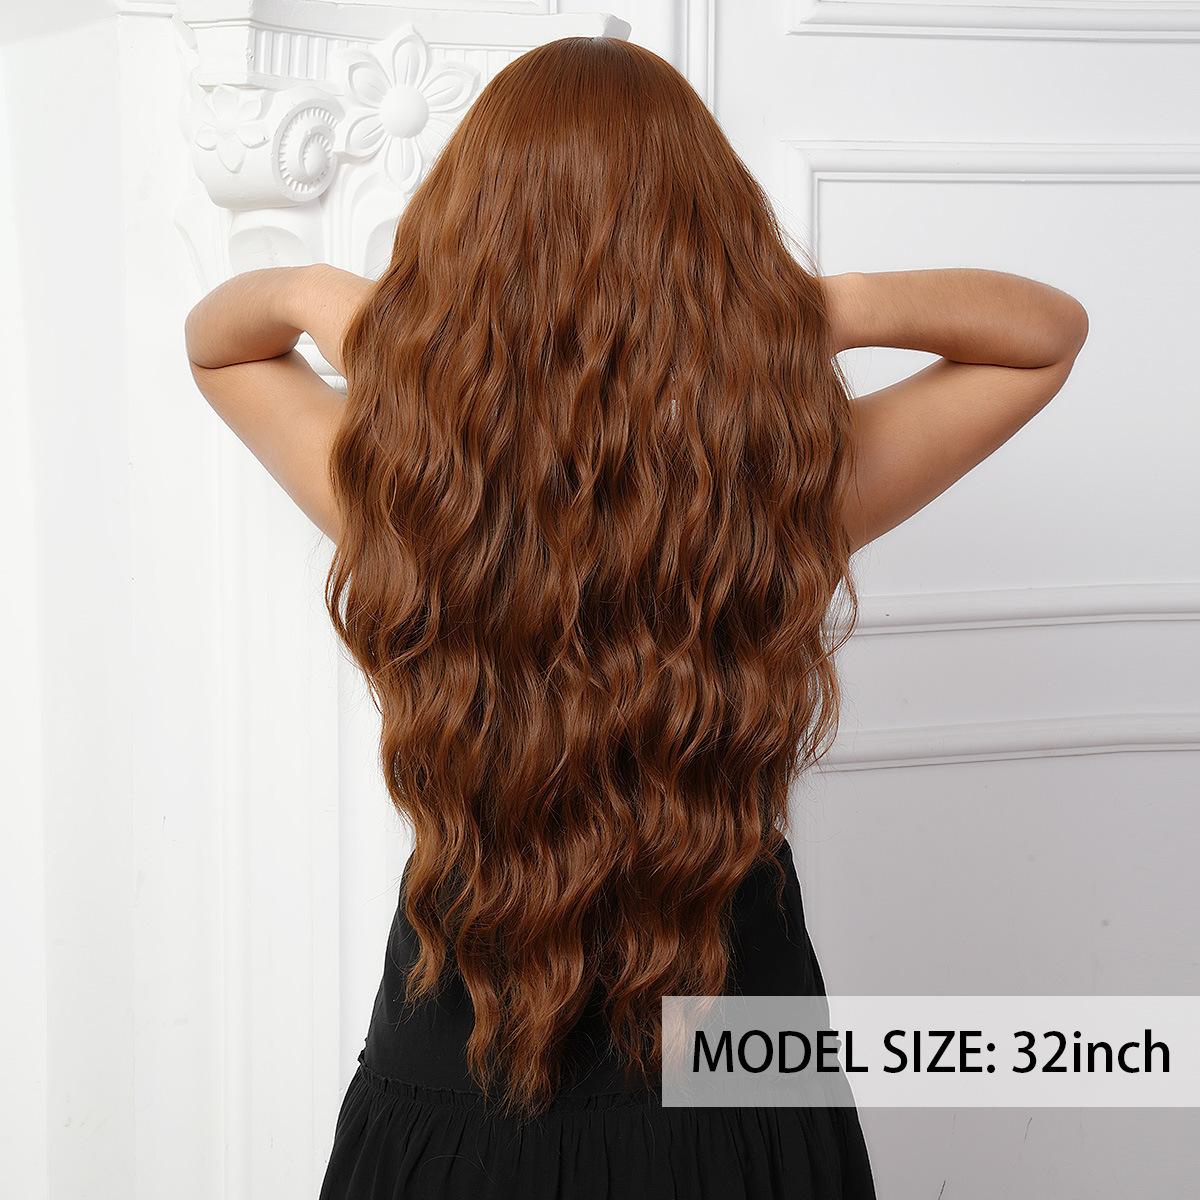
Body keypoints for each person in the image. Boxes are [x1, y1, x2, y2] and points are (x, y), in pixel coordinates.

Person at [183, 35, 1087, 1200]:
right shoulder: (781, 492)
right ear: (710, 240)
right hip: (737, 1060)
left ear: (472, 237)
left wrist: (323, 294)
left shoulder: (406, 491)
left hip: (459, 1054)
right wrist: (804, 314)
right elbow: (1042, 336)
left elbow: (220, 344)